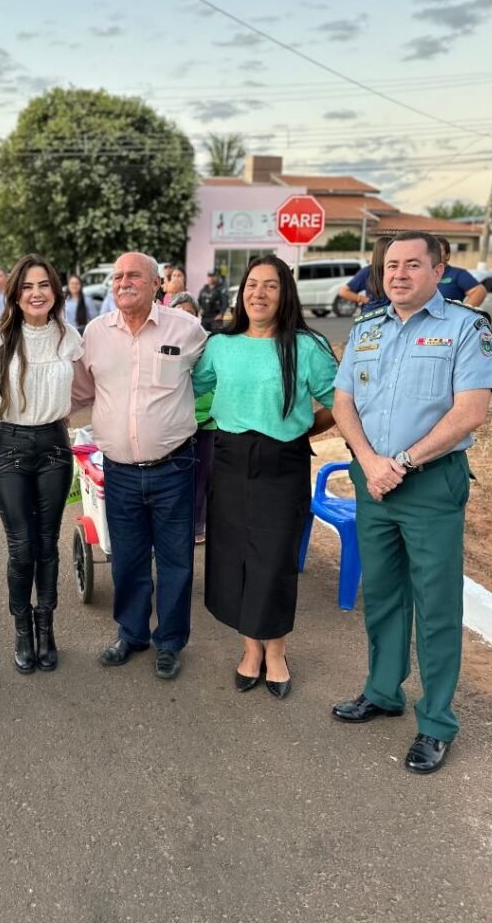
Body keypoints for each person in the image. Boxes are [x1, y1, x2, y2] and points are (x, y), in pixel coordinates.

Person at [332, 230, 492, 773]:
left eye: (411, 264)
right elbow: (343, 403)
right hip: (373, 481)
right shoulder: (367, 328)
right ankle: (383, 692)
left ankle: (436, 722)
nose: (397, 274)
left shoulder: (465, 328)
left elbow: (471, 411)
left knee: (436, 605)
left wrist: (401, 462)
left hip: (427, 485)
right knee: (381, 595)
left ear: (438, 268)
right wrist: (370, 462)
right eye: (390, 266)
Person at [192, 255, 338, 700]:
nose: (258, 293)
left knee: (273, 559)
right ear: (241, 293)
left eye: (270, 286)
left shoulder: (307, 346)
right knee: (234, 555)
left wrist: (301, 429)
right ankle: (250, 649)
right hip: (231, 458)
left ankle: (276, 653)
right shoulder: (221, 345)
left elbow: (338, 401)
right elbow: (192, 390)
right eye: (252, 284)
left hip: (282, 463)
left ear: (284, 293)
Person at [72, 252, 207, 679]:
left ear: (156, 284)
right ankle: (131, 634)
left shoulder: (187, 331)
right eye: (117, 276)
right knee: (127, 558)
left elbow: (206, 381)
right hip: (120, 470)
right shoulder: (94, 334)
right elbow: (78, 391)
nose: (123, 282)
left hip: (173, 467)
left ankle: (170, 641)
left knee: (175, 560)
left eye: (133, 275)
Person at [0, 255, 83, 673]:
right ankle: (22, 628)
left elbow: (84, 386)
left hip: (54, 444)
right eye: (27, 287)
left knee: (47, 543)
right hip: (9, 446)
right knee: (21, 547)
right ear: (15, 295)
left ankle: (46, 625)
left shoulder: (69, 338)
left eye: (43, 286)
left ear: (54, 292)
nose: (36, 293)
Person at [169, 291, 215, 545]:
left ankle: (198, 525)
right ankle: (176, 523)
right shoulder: (163, 342)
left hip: (206, 422)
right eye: (180, 312)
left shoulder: (207, 343)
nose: (185, 317)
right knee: (176, 476)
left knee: (202, 476)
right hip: (175, 423)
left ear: (198, 317)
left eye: (190, 313)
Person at [338, 236, 393, 313]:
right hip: (372, 316)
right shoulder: (368, 272)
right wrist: (361, 298)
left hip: (392, 316)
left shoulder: (396, 271)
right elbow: (343, 291)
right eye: (391, 251)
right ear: (381, 252)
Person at [436, 237, 487, 307]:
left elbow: (479, 291)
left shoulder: (457, 274)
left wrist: (464, 312)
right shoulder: (421, 274)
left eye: (438, 251)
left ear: (447, 255)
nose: (434, 254)